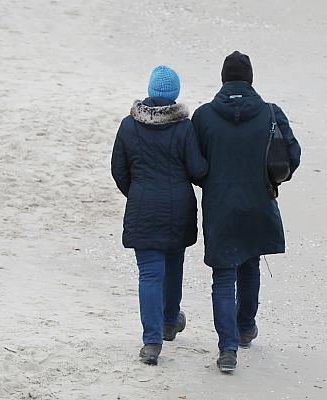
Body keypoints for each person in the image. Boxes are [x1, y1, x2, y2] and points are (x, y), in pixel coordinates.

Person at [191, 51, 301, 373]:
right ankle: (245, 328)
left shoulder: (204, 116)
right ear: (250, 79)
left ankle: (227, 351)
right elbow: (291, 156)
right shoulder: (270, 112)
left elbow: (194, 163)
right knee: (250, 264)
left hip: (219, 205)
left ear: (223, 79)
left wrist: (210, 182)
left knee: (223, 276)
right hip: (258, 203)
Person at [111, 65, 208, 366]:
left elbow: (118, 170)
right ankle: (169, 321)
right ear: (175, 95)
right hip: (178, 206)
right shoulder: (185, 127)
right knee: (173, 263)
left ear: (151, 91)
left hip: (143, 204)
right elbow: (198, 171)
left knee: (150, 273)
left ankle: (152, 341)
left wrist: (138, 192)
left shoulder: (130, 125)